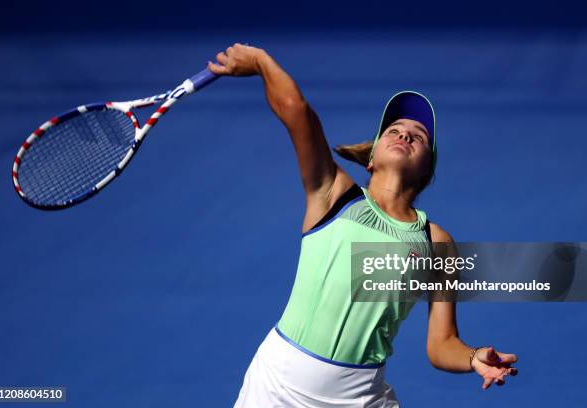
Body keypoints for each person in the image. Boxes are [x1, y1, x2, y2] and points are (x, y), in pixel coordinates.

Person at [207, 43, 518, 408]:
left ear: (427, 170)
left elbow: (441, 344)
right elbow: (296, 111)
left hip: (359, 397)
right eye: (394, 130)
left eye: (418, 136)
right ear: (370, 158)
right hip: (278, 386)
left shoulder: (438, 243)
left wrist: (472, 357)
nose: (405, 135)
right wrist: (261, 62)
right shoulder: (332, 193)